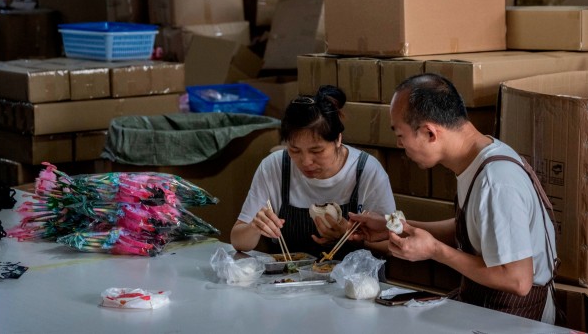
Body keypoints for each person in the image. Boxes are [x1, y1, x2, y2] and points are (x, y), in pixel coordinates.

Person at [349, 73, 558, 323]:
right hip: (486, 304)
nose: (398, 144)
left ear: (429, 132)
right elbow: (473, 228)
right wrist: (396, 228)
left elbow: (517, 280)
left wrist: (435, 251)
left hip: (518, 318)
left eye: (401, 134)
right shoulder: (479, 158)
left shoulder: (496, 181)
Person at [231, 85, 396, 259]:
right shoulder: (274, 166)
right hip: (289, 280)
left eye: (316, 151)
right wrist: (255, 227)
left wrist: (351, 237)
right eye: (294, 150)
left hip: (356, 283)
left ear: (338, 139)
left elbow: (391, 244)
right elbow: (238, 241)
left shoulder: (366, 171)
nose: (306, 162)